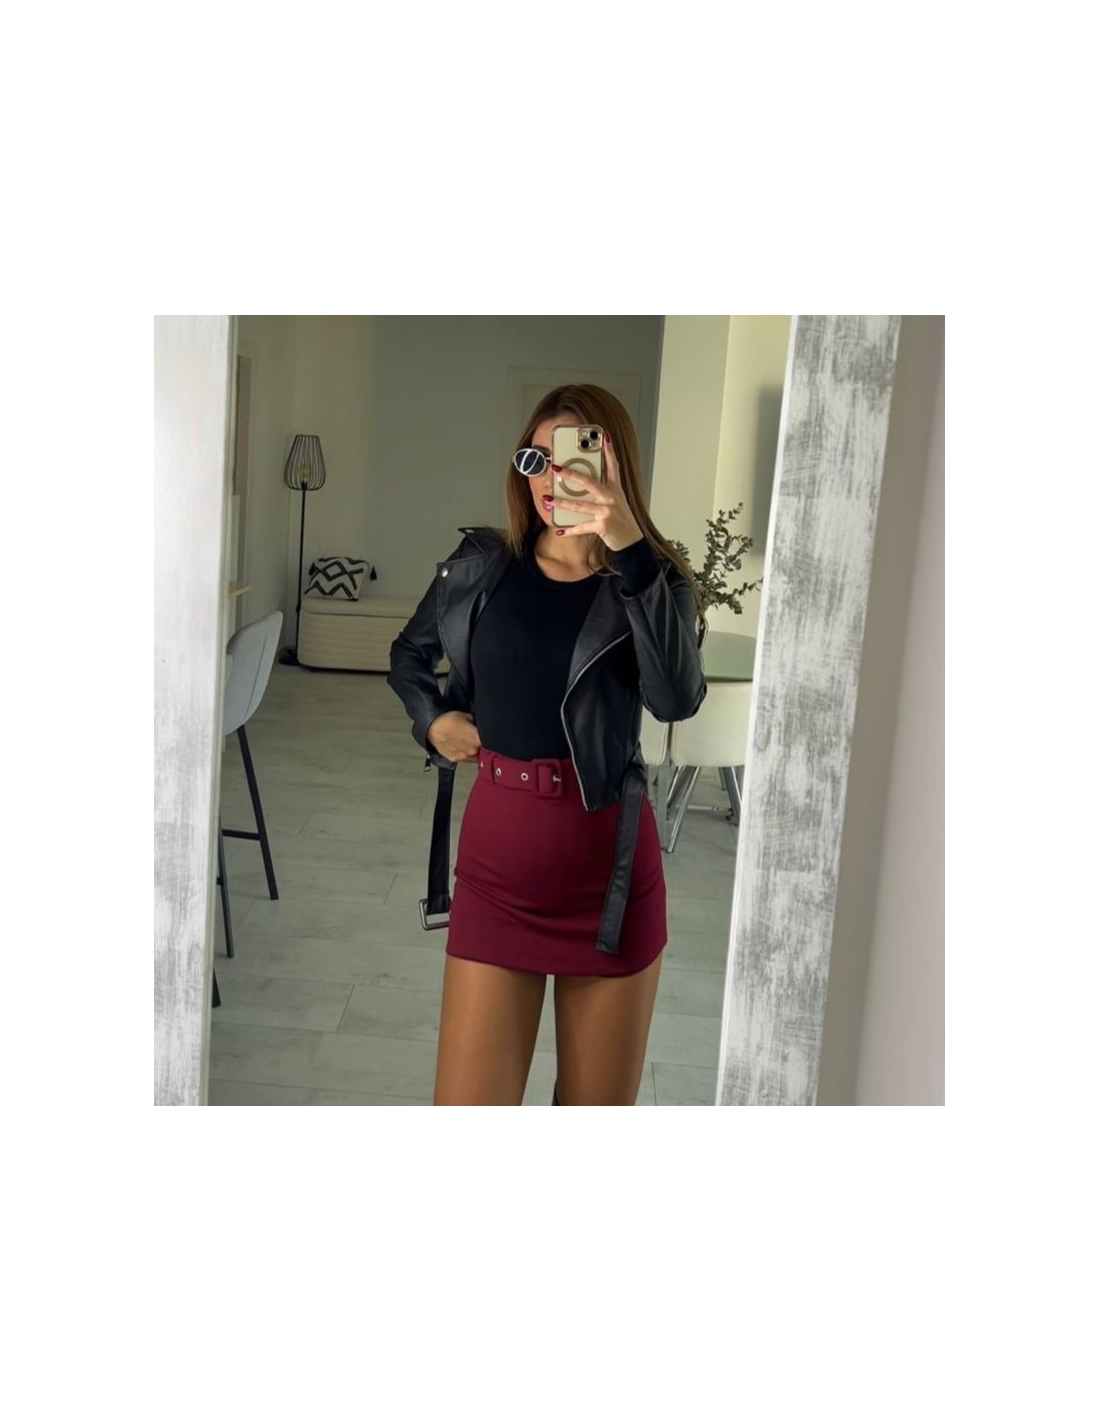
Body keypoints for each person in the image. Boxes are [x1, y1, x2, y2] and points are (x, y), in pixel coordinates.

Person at [388, 384, 706, 1106]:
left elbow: (675, 700)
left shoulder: (655, 582)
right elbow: (409, 654)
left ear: (613, 467)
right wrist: (432, 720)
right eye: (534, 459)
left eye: (571, 458)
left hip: (610, 883)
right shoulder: (481, 567)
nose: (548, 477)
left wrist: (628, 547)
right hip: (497, 873)